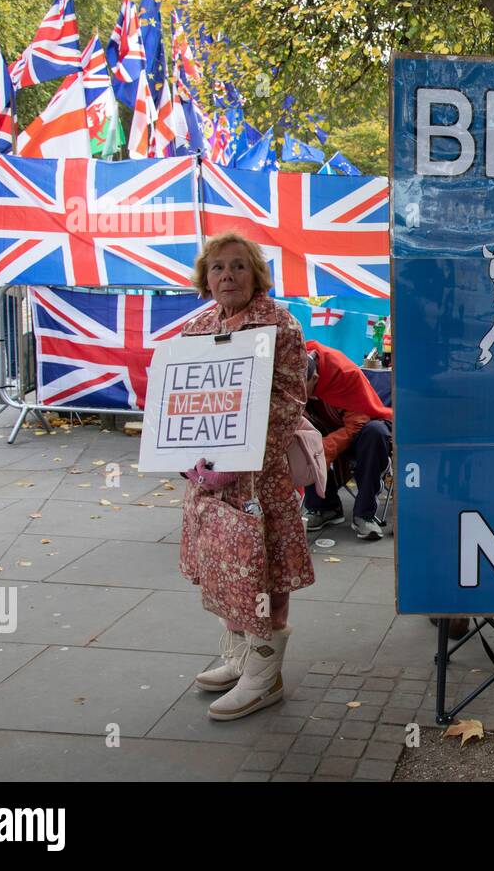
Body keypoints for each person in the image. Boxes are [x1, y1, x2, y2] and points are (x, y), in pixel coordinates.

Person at [179, 232, 311, 721]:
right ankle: (238, 655)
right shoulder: (199, 326)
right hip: (210, 481)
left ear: (255, 273)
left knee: (263, 569)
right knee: (223, 565)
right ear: (204, 278)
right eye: (217, 268)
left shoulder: (280, 325)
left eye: (238, 266)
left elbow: (288, 402)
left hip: (259, 480)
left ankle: (264, 675)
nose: (227, 276)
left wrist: (239, 458)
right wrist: (183, 453)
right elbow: (182, 402)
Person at [302, 339, 394, 540]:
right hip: (325, 427)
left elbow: (358, 421)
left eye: (303, 388)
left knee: (375, 432)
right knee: (303, 436)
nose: (299, 395)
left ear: (315, 377)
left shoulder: (343, 373)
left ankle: (364, 515)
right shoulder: (289, 364)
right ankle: (324, 508)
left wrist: (326, 447)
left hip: (363, 426)